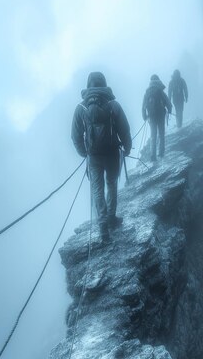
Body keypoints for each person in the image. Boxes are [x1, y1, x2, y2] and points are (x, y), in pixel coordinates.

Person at [71, 71, 132, 243]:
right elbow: (124, 129)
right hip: (112, 152)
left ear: (88, 85)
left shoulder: (81, 108)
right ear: (104, 83)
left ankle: (103, 228)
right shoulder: (113, 104)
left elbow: (75, 136)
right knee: (111, 184)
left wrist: (84, 152)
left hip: (94, 157)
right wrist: (127, 148)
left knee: (97, 189)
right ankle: (112, 218)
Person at [142, 74, 172, 162]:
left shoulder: (147, 92)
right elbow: (167, 102)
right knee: (161, 134)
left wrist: (145, 117)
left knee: (153, 136)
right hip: (160, 115)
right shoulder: (160, 91)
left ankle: (153, 156)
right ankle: (161, 153)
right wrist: (169, 110)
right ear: (158, 80)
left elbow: (143, 106)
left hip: (151, 117)